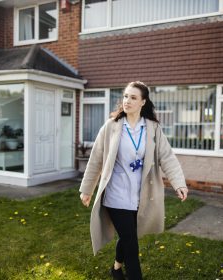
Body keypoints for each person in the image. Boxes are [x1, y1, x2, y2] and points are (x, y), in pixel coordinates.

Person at [79, 81, 188, 280]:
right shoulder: (111, 126)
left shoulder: (152, 128)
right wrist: (87, 189)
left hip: (140, 195)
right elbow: (96, 158)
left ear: (143, 102)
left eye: (133, 97)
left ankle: (116, 268)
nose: (127, 101)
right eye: (125, 96)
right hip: (116, 194)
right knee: (131, 243)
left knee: (128, 236)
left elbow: (167, 156)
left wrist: (179, 183)